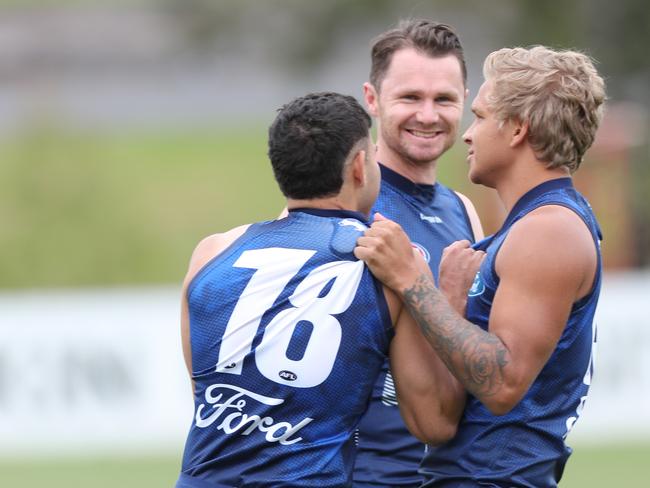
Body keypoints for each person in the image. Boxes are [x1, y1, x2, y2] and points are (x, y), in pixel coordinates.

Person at [175, 92, 462, 488]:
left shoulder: (212, 252)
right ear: (361, 166)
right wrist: (449, 299)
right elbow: (434, 422)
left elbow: (204, 392)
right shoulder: (393, 265)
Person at [355, 45, 606, 487]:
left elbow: (502, 385)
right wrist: (449, 300)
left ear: (517, 129)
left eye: (481, 116)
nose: (468, 134)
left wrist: (414, 282)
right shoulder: (536, 224)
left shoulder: (549, 230)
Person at [353, 19, 483, 487]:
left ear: (464, 101)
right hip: (361, 474)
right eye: (410, 98)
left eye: (443, 99)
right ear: (372, 99)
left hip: (444, 472)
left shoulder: (464, 209)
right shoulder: (343, 202)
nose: (428, 115)